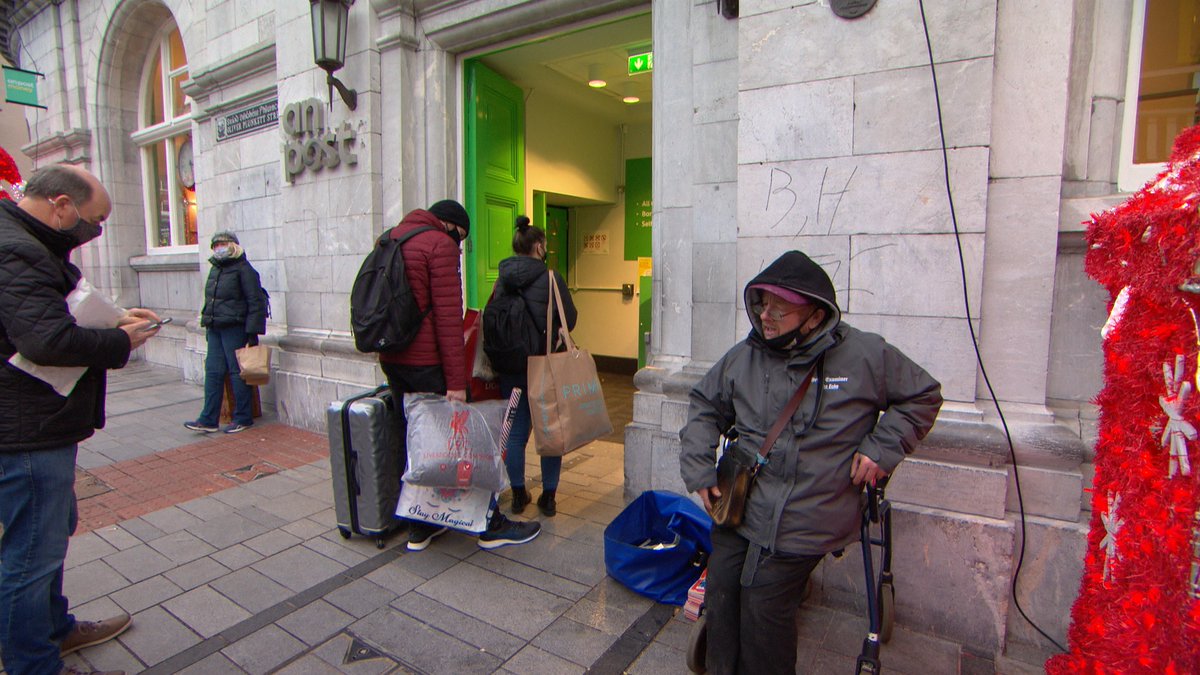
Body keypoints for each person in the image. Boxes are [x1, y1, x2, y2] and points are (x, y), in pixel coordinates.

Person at [679, 250, 943, 674]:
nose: (765, 315)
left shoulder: (864, 355)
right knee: (723, 590)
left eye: (779, 309)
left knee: (763, 606)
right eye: (763, 303)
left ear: (815, 316)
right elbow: (704, 404)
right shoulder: (745, 356)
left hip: (810, 511)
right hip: (741, 504)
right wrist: (698, 466)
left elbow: (923, 396)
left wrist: (881, 448)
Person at [0, 164, 164, 675]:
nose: (94, 232)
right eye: (94, 221)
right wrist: (119, 340)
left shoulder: (29, 241)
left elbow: (55, 309)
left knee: (45, 543)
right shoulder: (17, 249)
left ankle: (55, 630)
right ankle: (33, 664)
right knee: (31, 555)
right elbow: (46, 340)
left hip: (35, 421)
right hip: (28, 429)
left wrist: (116, 318)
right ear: (61, 205)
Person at [379, 200, 541, 551]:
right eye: (461, 236)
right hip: (427, 365)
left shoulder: (392, 237)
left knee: (417, 442)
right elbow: (448, 320)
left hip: (393, 361)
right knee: (462, 442)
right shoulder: (439, 245)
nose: (459, 244)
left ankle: (420, 526)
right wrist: (456, 382)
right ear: (449, 225)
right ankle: (487, 524)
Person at [489, 215, 577, 516]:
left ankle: (517, 494)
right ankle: (548, 497)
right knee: (551, 432)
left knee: (515, 434)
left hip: (511, 367)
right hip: (544, 366)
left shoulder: (502, 279)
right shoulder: (551, 278)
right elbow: (570, 319)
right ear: (538, 246)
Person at [183, 231, 268, 434]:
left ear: (233, 246)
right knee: (213, 371)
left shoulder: (244, 269)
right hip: (215, 327)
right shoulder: (216, 269)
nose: (218, 248)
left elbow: (255, 302)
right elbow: (211, 300)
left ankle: (243, 417)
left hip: (235, 327)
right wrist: (207, 322)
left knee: (238, 373)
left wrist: (252, 334)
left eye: (222, 244)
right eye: (215, 245)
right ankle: (208, 419)